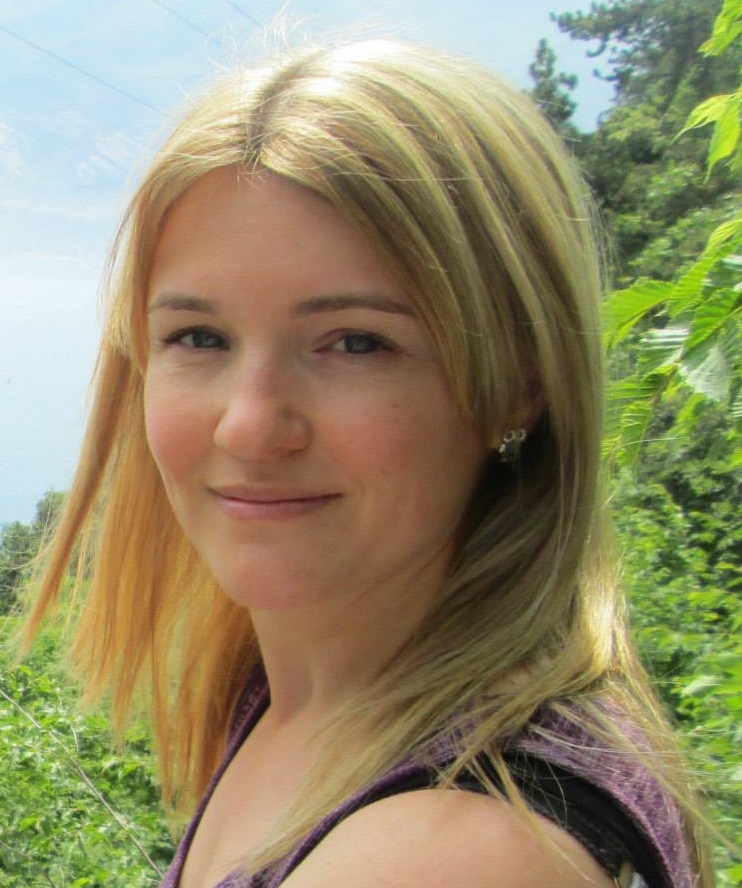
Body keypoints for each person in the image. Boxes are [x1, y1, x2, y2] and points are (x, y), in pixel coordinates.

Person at [24, 38, 711, 888]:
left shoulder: (461, 849)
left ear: (519, 382)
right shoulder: (303, 701)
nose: (248, 427)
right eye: (199, 337)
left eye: (356, 343)